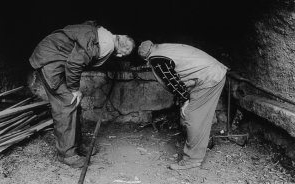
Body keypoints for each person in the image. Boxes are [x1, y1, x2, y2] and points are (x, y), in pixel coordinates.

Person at [29, 21, 135, 168]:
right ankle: (67, 154)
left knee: (75, 102)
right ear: (121, 51)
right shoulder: (106, 45)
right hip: (49, 60)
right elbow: (75, 63)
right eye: (123, 54)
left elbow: (82, 53)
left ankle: (77, 145)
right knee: (67, 102)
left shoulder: (103, 33)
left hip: (55, 57)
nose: (120, 56)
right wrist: (74, 89)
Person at [138, 40, 227, 170]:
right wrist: (184, 98)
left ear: (146, 58)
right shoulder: (163, 48)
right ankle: (202, 142)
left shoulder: (157, 59)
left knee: (192, 115)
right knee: (199, 115)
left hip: (209, 77)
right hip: (212, 72)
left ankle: (192, 159)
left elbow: (172, 82)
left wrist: (185, 101)